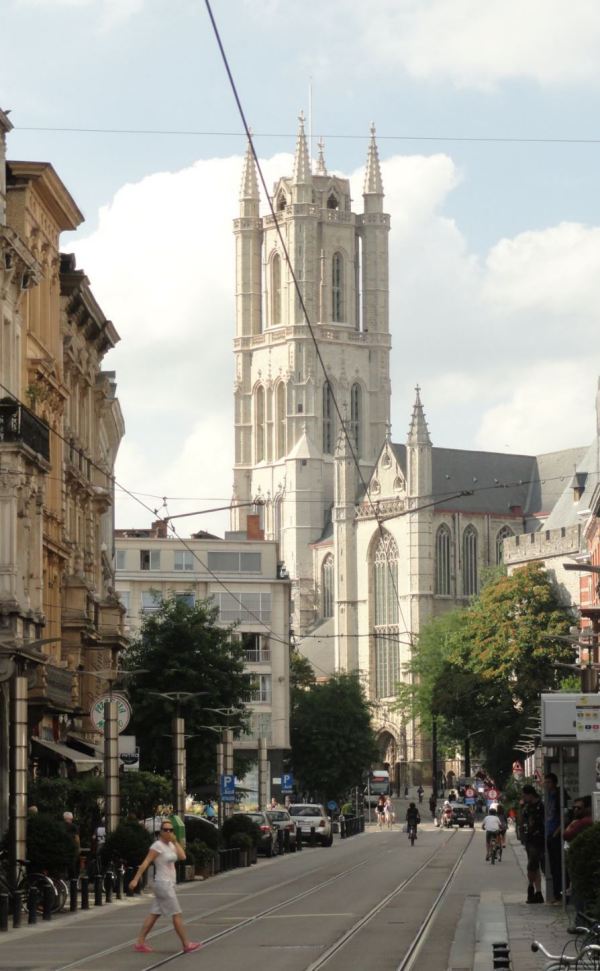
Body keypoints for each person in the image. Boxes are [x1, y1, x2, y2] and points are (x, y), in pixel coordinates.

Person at [129, 820, 201, 954]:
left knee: (154, 914)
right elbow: (146, 862)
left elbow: (183, 856)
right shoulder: (157, 846)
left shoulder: (171, 845)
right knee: (177, 914)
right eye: (165, 830)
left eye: (171, 830)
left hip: (168, 884)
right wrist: (135, 879)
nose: (168, 832)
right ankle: (186, 944)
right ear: (160, 832)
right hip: (163, 884)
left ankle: (140, 942)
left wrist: (175, 841)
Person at [544, 772, 567, 904]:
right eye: (545, 782)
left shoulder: (559, 795)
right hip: (550, 833)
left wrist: (557, 832)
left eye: (548, 782)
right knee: (553, 866)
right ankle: (557, 895)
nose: (545, 785)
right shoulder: (549, 796)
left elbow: (565, 814)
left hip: (556, 834)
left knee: (558, 866)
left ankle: (560, 895)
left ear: (554, 783)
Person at [521, 784, 545, 903]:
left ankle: (532, 888)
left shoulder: (541, 806)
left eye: (524, 795)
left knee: (533, 865)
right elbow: (524, 821)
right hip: (530, 839)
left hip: (538, 838)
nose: (523, 798)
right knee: (535, 867)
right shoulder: (527, 806)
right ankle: (538, 892)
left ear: (530, 794)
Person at [63, 811, 80, 879]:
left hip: (63, 847)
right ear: (71, 818)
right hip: (72, 848)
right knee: (73, 863)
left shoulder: (61, 825)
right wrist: (78, 848)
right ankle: (73, 878)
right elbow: (77, 838)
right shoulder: (74, 826)